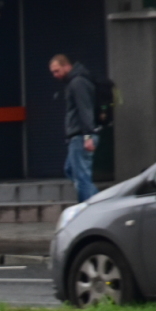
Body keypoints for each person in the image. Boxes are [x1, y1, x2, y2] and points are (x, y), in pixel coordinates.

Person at [49, 54, 99, 202]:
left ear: (66, 66)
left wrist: (88, 136)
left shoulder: (78, 83)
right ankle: (98, 201)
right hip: (78, 136)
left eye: (57, 71)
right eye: (53, 72)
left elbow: (85, 109)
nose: (55, 75)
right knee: (70, 170)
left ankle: (92, 209)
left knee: (82, 178)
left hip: (81, 135)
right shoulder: (75, 82)